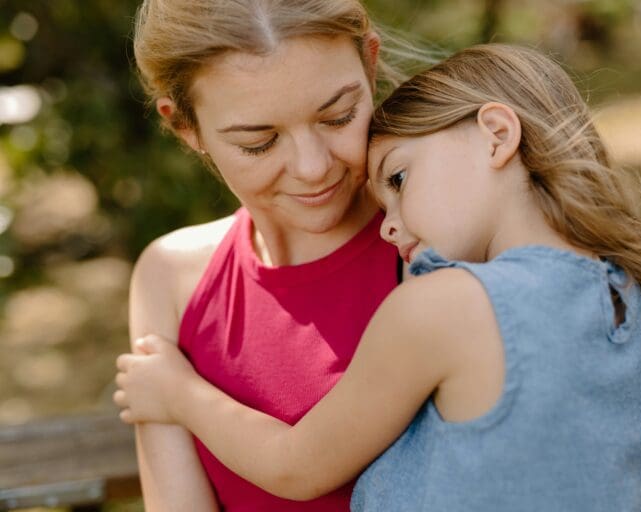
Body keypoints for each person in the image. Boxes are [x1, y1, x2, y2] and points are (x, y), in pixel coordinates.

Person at [115, 44, 641, 511]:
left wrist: (178, 394)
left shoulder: (441, 304)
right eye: (260, 139)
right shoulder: (623, 295)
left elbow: (296, 464)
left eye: (398, 180)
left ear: (497, 135)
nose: (388, 227)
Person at [123, 1, 425, 510]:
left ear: (370, 65)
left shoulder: (430, 241)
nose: (312, 168)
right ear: (185, 127)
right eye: (259, 142)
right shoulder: (171, 277)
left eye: (339, 116)